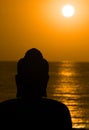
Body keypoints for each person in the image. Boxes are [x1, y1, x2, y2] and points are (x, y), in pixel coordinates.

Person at [0, 48, 72, 129]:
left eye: (36, 78)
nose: (31, 81)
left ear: (18, 80)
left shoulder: (5, 110)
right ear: (45, 81)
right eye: (28, 78)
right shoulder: (58, 112)